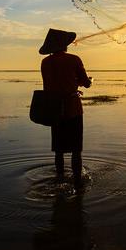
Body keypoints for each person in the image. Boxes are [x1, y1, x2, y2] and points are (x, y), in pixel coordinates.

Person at [39, 28, 92, 190]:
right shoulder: (74, 59)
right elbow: (86, 83)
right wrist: (87, 81)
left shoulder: (45, 62)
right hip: (73, 109)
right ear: (63, 44)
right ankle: (77, 184)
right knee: (76, 150)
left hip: (54, 110)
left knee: (59, 150)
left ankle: (59, 180)